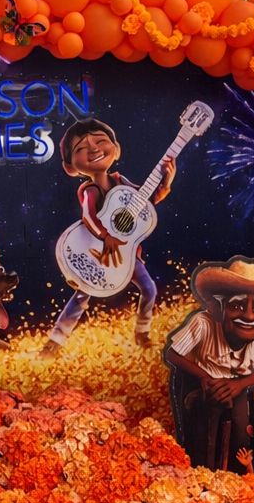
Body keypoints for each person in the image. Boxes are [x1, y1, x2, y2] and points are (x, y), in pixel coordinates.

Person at [40, 119, 174, 357]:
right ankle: (54, 343)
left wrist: (165, 183)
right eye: (82, 148)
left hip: (127, 255)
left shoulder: (121, 183)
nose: (93, 149)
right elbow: (89, 217)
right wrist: (106, 235)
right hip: (96, 253)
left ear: (116, 148)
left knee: (149, 289)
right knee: (81, 296)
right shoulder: (91, 191)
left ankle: (142, 334)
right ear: (71, 167)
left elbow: (144, 202)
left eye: (101, 141)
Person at [163, 256, 254, 472]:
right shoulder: (203, 323)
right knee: (200, 434)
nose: (249, 315)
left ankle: (235, 478)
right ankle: (200, 476)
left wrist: (240, 385)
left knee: (239, 436)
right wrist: (204, 378)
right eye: (238, 305)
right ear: (217, 308)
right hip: (198, 379)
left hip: (237, 384)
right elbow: (173, 354)